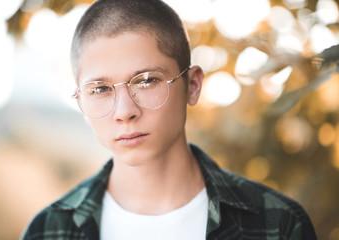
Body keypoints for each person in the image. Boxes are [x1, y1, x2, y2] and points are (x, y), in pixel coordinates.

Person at [21, 0, 317, 239]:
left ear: (192, 85)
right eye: (100, 89)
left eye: (147, 81)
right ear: (80, 102)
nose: (125, 111)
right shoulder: (47, 231)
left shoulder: (278, 225)